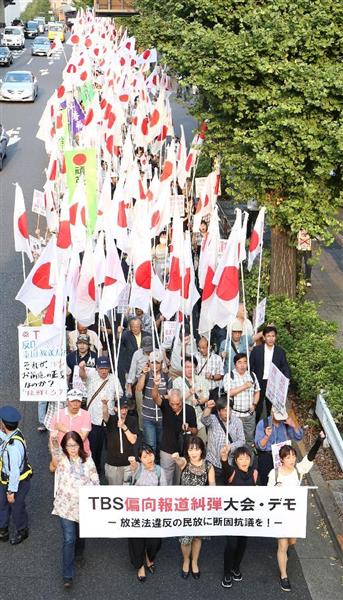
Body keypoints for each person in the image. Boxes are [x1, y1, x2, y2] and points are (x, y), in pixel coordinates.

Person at [268, 432, 325, 592]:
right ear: (282, 459)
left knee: (291, 542)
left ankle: (285, 551)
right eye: (288, 457)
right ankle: (284, 576)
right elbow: (266, 494)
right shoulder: (275, 474)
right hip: (280, 514)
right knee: (282, 545)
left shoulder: (298, 470)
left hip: (294, 514)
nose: (292, 459)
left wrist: (319, 441)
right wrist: (274, 489)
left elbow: (309, 458)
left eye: (293, 456)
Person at [50, 431, 99, 589]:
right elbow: (55, 453)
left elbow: (96, 482)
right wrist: (54, 441)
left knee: (80, 533)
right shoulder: (62, 459)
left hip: (83, 506)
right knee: (69, 538)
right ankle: (67, 575)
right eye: (69, 445)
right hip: (65, 507)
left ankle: (79, 552)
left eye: (75, 444)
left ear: (80, 445)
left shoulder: (88, 461)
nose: (72, 448)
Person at [172, 436, 215, 579]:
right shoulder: (185, 462)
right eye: (191, 449)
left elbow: (213, 485)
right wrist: (176, 458)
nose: (194, 452)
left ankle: (194, 562)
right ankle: (186, 560)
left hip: (200, 508)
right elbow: (179, 461)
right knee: (185, 539)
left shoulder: (209, 466)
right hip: (184, 508)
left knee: (197, 537)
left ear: (202, 450)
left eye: (196, 449)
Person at [220, 445, 258, 588]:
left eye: (247, 458)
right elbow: (224, 465)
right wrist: (224, 457)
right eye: (240, 458)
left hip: (246, 517)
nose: (244, 461)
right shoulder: (232, 472)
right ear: (235, 460)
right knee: (231, 544)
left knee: (242, 544)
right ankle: (226, 573)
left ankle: (236, 568)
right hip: (231, 516)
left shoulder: (254, 473)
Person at [127, 445, 166, 582]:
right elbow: (132, 468)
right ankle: (140, 566)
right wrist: (133, 462)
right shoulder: (137, 468)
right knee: (137, 542)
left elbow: (165, 492)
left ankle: (149, 558)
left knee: (155, 542)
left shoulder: (160, 471)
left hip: (153, 513)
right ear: (140, 459)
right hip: (137, 513)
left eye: (150, 455)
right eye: (144, 456)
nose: (148, 458)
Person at [79, 356, 123, 474]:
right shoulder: (92, 375)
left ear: (109, 368)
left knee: (112, 446)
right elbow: (83, 377)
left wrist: (115, 399)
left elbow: (120, 393)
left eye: (106, 368)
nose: (104, 371)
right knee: (94, 446)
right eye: (101, 368)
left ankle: (112, 468)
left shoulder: (114, 378)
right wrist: (81, 368)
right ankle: (95, 468)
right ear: (97, 368)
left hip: (110, 418)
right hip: (94, 419)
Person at [151, 385, 197, 485]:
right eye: (172, 404)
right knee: (166, 480)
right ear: (169, 400)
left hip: (183, 451)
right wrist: (156, 385)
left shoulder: (189, 410)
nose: (175, 407)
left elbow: (195, 431)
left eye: (178, 404)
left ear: (182, 400)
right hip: (167, 450)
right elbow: (155, 397)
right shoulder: (165, 405)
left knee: (180, 479)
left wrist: (188, 428)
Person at [0, 406, 33, 545]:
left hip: (17, 482)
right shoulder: (14, 433)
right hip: (5, 478)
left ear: (3, 424)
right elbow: (5, 436)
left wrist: (11, 491)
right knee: (2, 504)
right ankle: (3, 528)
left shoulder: (14, 447)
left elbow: (14, 472)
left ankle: (22, 530)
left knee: (17, 507)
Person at [136, 350, 172, 459]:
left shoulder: (166, 376)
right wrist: (143, 374)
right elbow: (138, 388)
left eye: (158, 362)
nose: (155, 365)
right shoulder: (146, 375)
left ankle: (160, 469)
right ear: (148, 363)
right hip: (148, 417)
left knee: (161, 446)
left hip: (162, 417)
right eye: (152, 362)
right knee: (151, 446)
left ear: (161, 363)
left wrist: (159, 398)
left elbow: (170, 395)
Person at [250, 325, 290, 421]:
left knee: (270, 406)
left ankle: (269, 426)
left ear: (275, 337)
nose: (271, 338)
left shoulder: (280, 352)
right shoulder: (257, 350)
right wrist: (252, 380)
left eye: (273, 336)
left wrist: (286, 379)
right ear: (264, 337)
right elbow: (251, 367)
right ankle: (256, 426)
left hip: (273, 383)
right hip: (259, 381)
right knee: (258, 405)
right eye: (268, 336)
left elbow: (285, 367)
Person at [255, 406, 304, 486]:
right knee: (267, 482)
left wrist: (293, 425)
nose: (280, 419)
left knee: (283, 481)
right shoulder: (263, 424)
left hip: (283, 457)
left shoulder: (286, 423)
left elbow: (298, 437)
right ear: (272, 412)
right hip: (267, 456)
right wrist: (266, 436)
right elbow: (259, 446)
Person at [201, 397, 245, 484]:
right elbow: (204, 420)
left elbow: (242, 440)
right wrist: (208, 408)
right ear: (218, 411)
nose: (227, 413)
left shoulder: (237, 422)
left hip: (229, 463)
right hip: (213, 462)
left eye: (229, 410)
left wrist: (230, 447)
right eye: (224, 410)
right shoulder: (213, 419)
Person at [223, 353, 260, 448]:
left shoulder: (252, 375)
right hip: (235, 415)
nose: (242, 365)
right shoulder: (229, 376)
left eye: (245, 362)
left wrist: (254, 404)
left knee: (249, 439)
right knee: (235, 439)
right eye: (239, 362)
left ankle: (248, 460)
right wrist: (244, 386)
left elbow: (257, 391)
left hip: (249, 415)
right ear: (235, 364)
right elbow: (229, 393)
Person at [173, 356, 209, 442]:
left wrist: (199, 401)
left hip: (199, 419)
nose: (189, 369)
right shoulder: (177, 382)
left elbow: (206, 396)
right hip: (184, 420)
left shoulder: (202, 380)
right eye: (186, 367)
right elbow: (176, 400)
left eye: (191, 367)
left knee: (201, 443)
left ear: (195, 367)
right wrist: (188, 393)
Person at [102, 398, 138, 485]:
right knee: (115, 492)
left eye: (126, 408)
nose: (124, 410)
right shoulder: (111, 419)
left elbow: (133, 440)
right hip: (113, 465)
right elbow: (105, 416)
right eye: (121, 408)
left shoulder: (132, 420)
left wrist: (124, 427)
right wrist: (105, 405)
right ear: (115, 409)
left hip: (128, 464)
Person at [48, 388, 92, 455]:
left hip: (82, 454)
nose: (75, 404)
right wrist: (55, 454)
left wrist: (65, 430)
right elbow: (52, 438)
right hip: (63, 454)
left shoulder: (86, 415)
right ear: (67, 401)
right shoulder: (58, 415)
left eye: (78, 401)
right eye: (72, 401)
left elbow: (82, 438)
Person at [126, 336, 154, 427]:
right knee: (141, 407)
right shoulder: (137, 354)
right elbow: (132, 370)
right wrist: (129, 386)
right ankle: (142, 428)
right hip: (140, 381)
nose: (148, 351)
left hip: (154, 381)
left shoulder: (157, 352)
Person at [117, 317, 149, 389]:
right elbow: (119, 342)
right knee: (129, 388)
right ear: (130, 327)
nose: (135, 329)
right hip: (129, 367)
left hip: (144, 367)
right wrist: (119, 333)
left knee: (142, 388)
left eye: (137, 327)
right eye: (133, 327)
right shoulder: (126, 335)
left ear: (141, 326)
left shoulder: (147, 335)